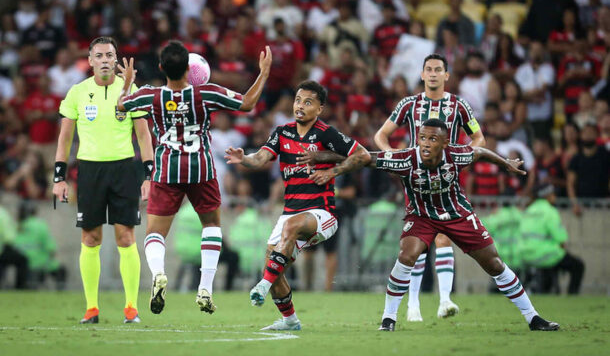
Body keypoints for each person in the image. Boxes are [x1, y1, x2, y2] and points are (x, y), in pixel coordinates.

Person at [303, 119, 560, 332]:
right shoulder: (405, 159)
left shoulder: (456, 155)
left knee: (494, 263)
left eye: (433, 139)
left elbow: (480, 151)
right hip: (421, 217)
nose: (426, 143)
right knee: (407, 255)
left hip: (457, 214)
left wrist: (506, 164)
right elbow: (365, 158)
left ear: (445, 143)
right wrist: (326, 157)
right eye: (423, 138)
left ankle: (533, 317)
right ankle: (388, 319)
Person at [117, 41, 272, 315]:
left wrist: (128, 83)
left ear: (162, 67)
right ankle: (205, 288)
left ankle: (158, 274)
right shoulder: (206, 93)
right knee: (211, 224)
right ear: (189, 69)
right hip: (201, 167)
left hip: (167, 170)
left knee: (155, 232)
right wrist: (264, 73)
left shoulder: (151, 96)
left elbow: (121, 108)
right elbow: (248, 104)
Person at [224, 80, 371, 330]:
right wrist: (244, 159)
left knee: (286, 235)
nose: (300, 106)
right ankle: (290, 320)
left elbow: (364, 155)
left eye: (308, 102)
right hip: (290, 211)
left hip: (321, 212)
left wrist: (332, 171)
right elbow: (261, 159)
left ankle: (262, 285)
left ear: (320, 109)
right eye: (297, 100)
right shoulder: (282, 132)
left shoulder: (326, 134)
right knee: (273, 265)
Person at [373, 54, 486, 322]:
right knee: (420, 243)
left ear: (447, 75)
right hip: (417, 180)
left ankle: (444, 300)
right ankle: (413, 305)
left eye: (438, 70)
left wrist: (463, 158)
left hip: (447, 178)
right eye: (428, 70)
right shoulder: (408, 105)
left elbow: (479, 138)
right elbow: (380, 135)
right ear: (422, 74)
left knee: (443, 236)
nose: (433, 74)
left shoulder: (459, 106)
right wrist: (394, 158)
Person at [52, 36, 153, 324]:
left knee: (126, 236)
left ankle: (131, 308)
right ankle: (92, 308)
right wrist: (59, 178)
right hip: (90, 171)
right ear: (90, 60)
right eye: (99, 55)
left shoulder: (130, 91)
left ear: (117, 59)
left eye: (110, 55)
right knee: (90, 237)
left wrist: (148, 175)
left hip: (123, 170)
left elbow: (144, 135)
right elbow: (65, 139)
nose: (105, 60)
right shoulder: (77, 93)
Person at [520, 184, 585, 294]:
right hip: (545, 255)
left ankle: (547, 290)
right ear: (547, 195)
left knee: (551, 267)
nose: (555, 196)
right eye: (553, 193)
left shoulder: (528, 210)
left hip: (525, 254)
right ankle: (572, 297)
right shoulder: (549, 210)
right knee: (578, 266)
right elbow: (561, 238)